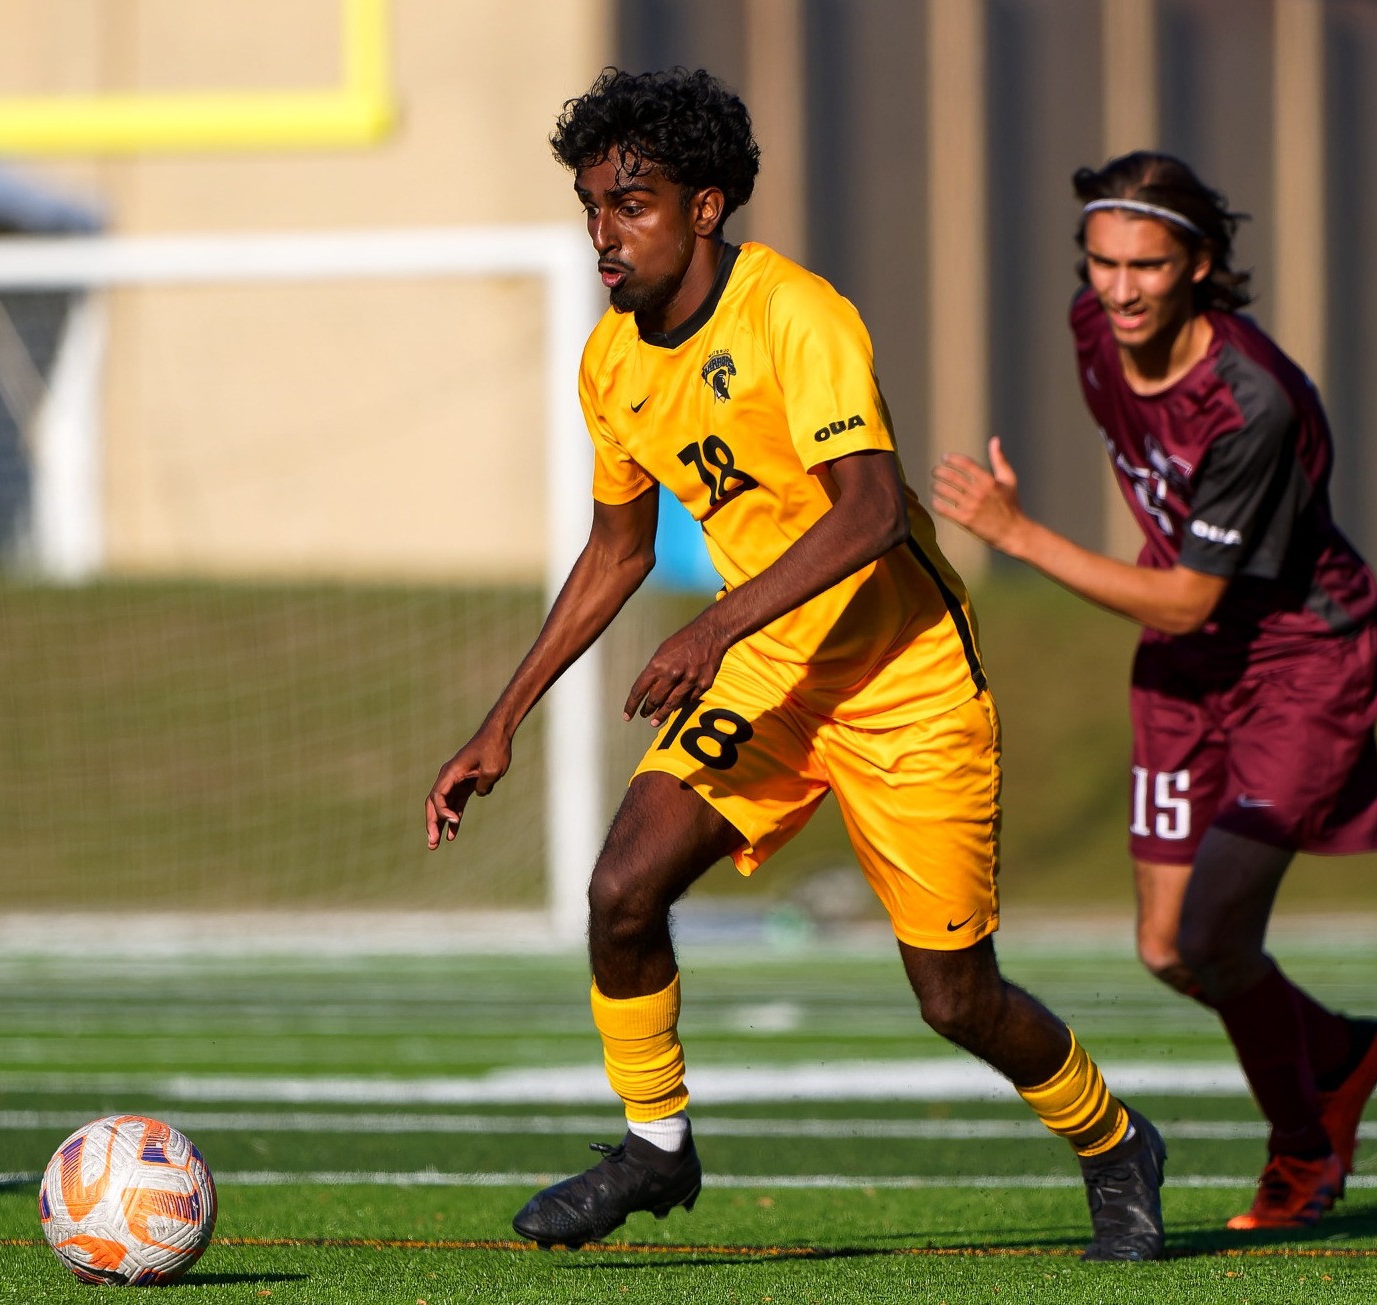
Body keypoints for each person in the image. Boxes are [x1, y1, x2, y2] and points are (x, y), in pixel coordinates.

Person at [424, 67, 1167, 1262]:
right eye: (591, 208)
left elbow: (873, 511)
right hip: (770, 682)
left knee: (954, 999)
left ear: (707, 207)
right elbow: (616, 550)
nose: (603, 237)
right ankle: (655, 1146)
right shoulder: (610, 363)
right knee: (621, 892)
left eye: (633, 204)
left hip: (902, 682)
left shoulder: (794, 316)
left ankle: (1112, 1140)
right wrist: (499, 719)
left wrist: (711, 627)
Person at [931, 151, 1377, 1231]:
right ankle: (1337, 1053)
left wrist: (1013, 534)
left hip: (1296, 663)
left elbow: (1190, 596)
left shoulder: (1253, 402)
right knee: (1161, 947)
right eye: (1101, 262)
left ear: (1198, 264)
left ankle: (1303, 1150)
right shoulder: (1091, 331)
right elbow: (1177, 594)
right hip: (1182, 667)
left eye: (1146, 265)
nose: (1119, 288)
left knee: (1209, 940)